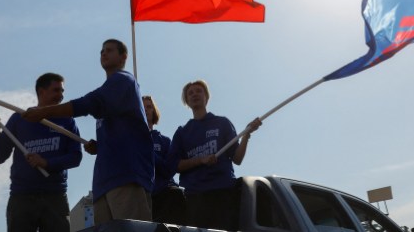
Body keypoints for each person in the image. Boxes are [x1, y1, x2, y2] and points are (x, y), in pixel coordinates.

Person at [23, 39, 154, 224]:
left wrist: (45, 111)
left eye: (109, 50)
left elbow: (90, 102)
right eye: (101, 51)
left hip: (126, 176)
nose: (103, 53)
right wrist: (100, 146)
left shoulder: (124, 80)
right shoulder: (111, 90)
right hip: (105, 182)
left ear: (124, 56)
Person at [0, 72, 83, 232]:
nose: (60, 95)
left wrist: (47, 163)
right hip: (22, 196)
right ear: (41, 92)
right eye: (56, 90)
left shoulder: (66, 120)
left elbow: (76, 157)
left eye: (62, 91)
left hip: (55, 196)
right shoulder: (20, 118)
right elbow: (0, 156)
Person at [168, 80, 261, 231]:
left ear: (206, 96)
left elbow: (237, 159)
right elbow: (175, 165)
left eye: (199, 91)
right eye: (190, 93)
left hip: (223, 193)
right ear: (186, 101)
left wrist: (246, 135)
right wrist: (200, 160)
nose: (194, 94)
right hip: (195, 198)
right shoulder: (182, 132)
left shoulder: (222, 123)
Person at [143, 95, 186, 224]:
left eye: (149, 107)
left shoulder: (164, 141)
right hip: (141, 195)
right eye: (142, 107)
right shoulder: (130, 141)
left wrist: (148, 151)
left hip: (164, 193)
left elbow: (169, 169)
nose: (146, 110)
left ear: (154, 111)